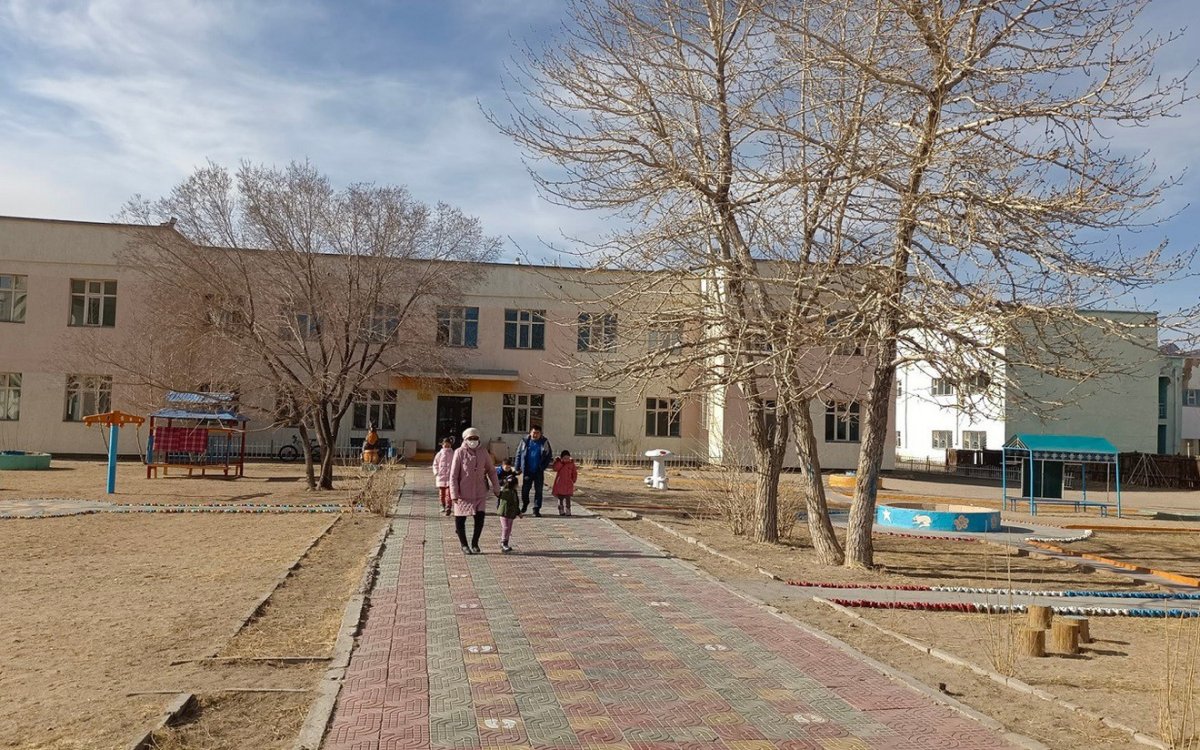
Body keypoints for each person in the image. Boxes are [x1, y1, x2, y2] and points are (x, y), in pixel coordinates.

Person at [449, 427, 499, 554]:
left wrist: (496, 488)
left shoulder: (483, 452)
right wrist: (454, 494)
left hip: (479, 492)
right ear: (465, 439)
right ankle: (464, 544)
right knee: (460, 520)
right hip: (463, 493)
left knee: (480, 518)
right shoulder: (459, 452)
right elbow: (453, 475)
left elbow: (491, 471)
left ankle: (475, 543)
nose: (473, 441)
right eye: (470, 438)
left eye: (475, 438)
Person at [514, 425, 553, 517]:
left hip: (538, 470)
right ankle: (525, 503)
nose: (535, 435)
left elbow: (548, 455)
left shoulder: (544, 442)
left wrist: (543, 467)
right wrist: (517, 467)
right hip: (527, 470)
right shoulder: (524, 441)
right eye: (534, 433)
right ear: (530, 433)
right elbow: (518, 454)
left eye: (537, 433)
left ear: (540, 434)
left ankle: (536, 509)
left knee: (538, 491)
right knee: (525, 490)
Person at [496, 470, 521, 553]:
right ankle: (503, 542)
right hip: (504, 512)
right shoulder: (505, 492)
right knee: (505, 527)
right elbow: (498, 494)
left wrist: (518, 512)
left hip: (511, 513)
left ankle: (506, 542)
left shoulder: (514, 492)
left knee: (509, 528)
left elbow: (516, 503)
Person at [432, 437, 454, 516]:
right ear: (442, 445)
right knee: (442, 493)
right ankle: (442, 505)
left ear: (450, 445)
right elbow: (435, 464)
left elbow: (456, 464)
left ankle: (448, 507)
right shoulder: (439, 454)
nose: (447, 447)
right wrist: (436, 472)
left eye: (448, 446)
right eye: (445, 445)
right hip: (441, 477)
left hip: (450, 477)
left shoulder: (453, 454)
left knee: (449, 493)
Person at [551, 450, 578, 516]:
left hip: (568, 484)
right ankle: (561, 510)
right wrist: (559, 462)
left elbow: (574, 472)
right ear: (562, 458)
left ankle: (568, 510)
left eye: (568, 458)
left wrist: (573, 479)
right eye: (565, 458)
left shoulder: (571, 464)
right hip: (560, 484)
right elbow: (555, 468)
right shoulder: (559, 463)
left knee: (568, 498)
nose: (566, 459)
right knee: (560, 498)